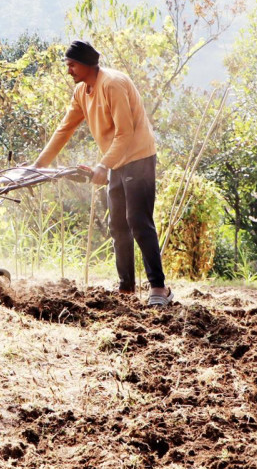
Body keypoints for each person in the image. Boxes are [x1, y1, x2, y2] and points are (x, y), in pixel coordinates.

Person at [32, 40, 172, 305]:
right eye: (68, 65)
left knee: (138, 220)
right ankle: (126, 287)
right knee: (118, 224)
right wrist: (39, 164)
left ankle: (159, 287)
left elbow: (125, 132)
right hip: (116, 160)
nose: (69, 70)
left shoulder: (113, 84)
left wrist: (103, 165)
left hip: (139, 156)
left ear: (86, 64)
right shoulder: (82, 92)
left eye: (72, 65)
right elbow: (65, 129)